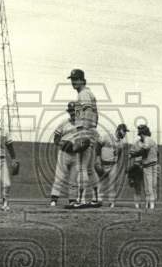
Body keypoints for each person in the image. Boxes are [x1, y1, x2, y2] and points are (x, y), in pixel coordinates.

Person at [68, 69, 99, 205]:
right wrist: (92, 128)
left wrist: (84, 132)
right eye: (72, 79)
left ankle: (80, 200)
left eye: (76, 79)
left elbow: (87, 111)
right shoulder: (89, 93)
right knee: (90, 168)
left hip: (84, 130)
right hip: (91, 130)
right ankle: (96, 198)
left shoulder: (83, 94)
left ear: (82, 80)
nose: (73, 82)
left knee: (81, 167)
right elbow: (96, 115)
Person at [50, 103, 81, 207]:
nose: (73, 113)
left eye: (74, 110)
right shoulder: (63, 123)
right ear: (69, 112)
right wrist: (61, 144)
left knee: (74, 179)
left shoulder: (81, 125)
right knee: (59, 177)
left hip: (76, 154)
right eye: (71, 111)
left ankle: (72, 200)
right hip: (64, 153)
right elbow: (56, 138)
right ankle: (54, 199)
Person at [96, 123, 130, 208]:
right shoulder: (107, 137)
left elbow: (120, 153)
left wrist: (116, 162)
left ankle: (111, 202)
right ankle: (98, 200)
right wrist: (97, 159)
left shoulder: (121, 143)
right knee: (100, 182)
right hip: (103, 163)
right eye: (124, 131)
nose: (125, 133)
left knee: (112, 184)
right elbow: (98, 145)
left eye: (125, 132)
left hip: (113, 165)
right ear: (118, 130)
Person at [129, 123, 159, 210]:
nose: (140, 135)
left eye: (140, 133)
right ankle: (150, 205)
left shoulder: (147, 140)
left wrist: (134, 155)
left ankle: (150, 206)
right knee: (151, 186)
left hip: (148, 165)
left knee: (149, 187)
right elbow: (157, 153)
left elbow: (143, 151)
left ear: (142, 133)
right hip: (152, 164)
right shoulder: (151, 140)